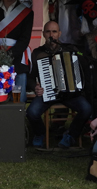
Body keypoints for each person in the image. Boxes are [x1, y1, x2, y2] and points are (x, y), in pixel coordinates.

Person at [26, 21, 92, 149]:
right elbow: (30, 77)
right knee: (31, 112)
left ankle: (71, 135)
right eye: (48, 32)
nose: (51, 35)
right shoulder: (38, 53)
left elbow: (84, 69)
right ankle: (40, 133)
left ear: (59, 34)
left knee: (86, 109)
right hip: (47, 93)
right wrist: (35, 87)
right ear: (43, 34)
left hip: (70, 94)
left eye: (54, 32)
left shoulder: (70, 50)